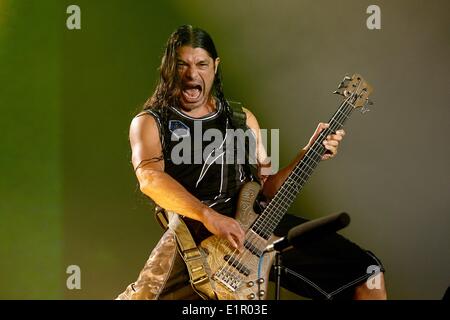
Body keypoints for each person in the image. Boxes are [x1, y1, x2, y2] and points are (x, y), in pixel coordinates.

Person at [117, 25, 386, 300]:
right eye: (182, 64)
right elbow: (150, 179)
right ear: (169, 67)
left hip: (257, 230)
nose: (191, 74)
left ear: (215, 66)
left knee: (367, 273)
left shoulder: (243, 120)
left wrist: (307, 153)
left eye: (201, 64)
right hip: (195, 239)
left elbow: (267, 191)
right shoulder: (151, 122)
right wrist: (210, 216)